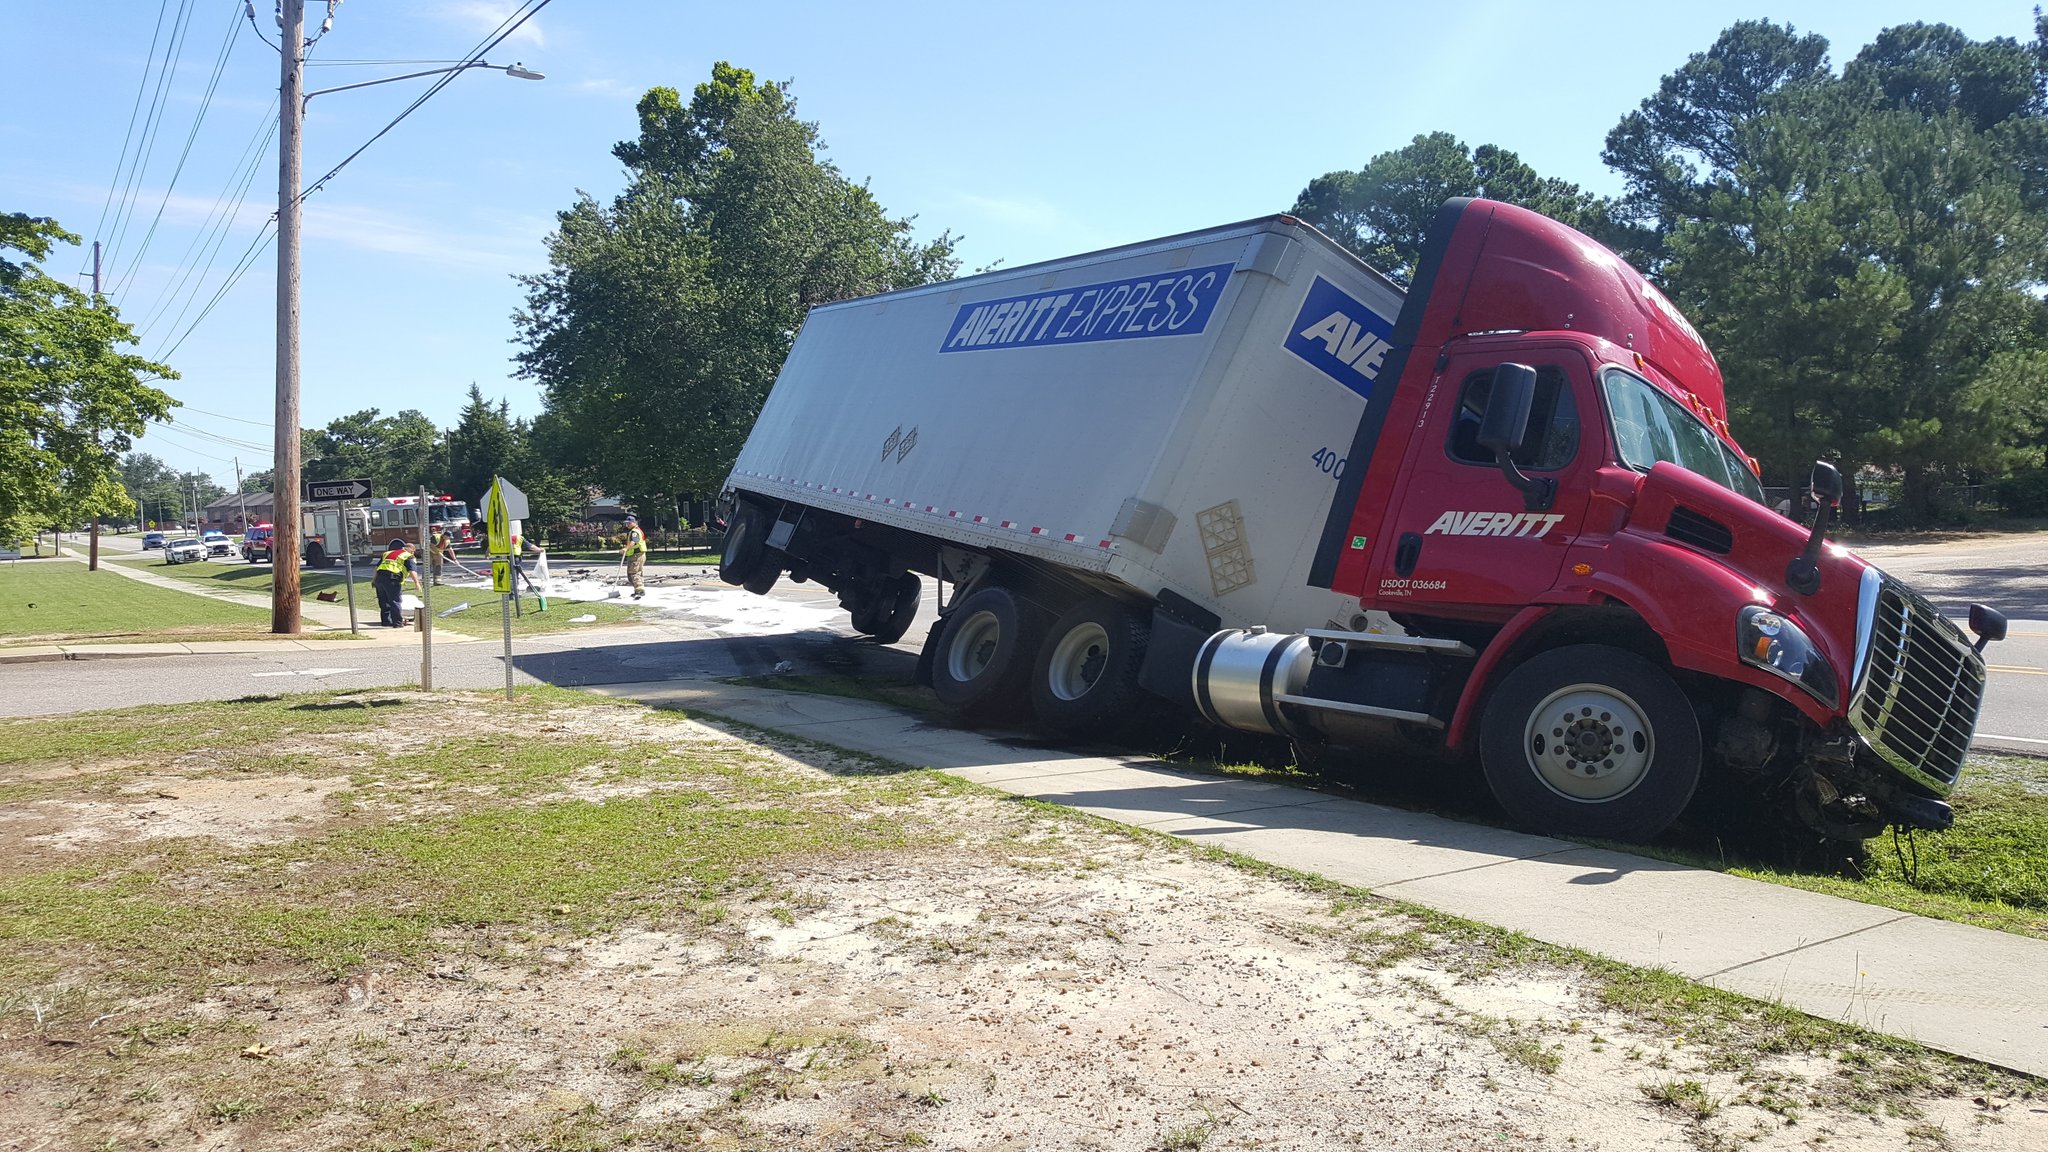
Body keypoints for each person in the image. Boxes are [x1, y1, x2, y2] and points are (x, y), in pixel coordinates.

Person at [371, 537, 422, 628]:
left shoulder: (387, 553)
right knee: (395, 601)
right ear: (412, 551)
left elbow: (376, 567)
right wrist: (417, 583)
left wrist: (373, 580)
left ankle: (386, 621)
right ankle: (397, 623)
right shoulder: (408, 556)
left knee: (383, 601)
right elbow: (412, 571)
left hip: (379, 578)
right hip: (392, 579)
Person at [620, 513, 647, 600]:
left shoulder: (635, 532)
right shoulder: (635, 530)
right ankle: (638, 590)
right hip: (637, 555)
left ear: (634, 522)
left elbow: (633, 542)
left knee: (634, 573)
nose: (627, 525)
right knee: (636, 573)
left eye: (629, 523)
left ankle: (639, 591)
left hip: (636, 555)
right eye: (626, 523)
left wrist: (625, 548)